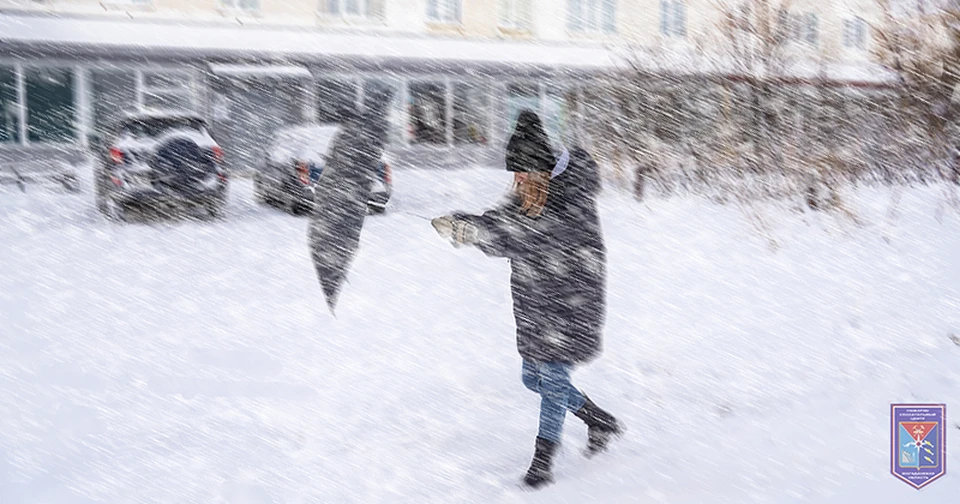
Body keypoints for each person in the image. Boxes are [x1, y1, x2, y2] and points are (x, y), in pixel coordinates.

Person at [431, 109, 623, 490]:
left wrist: (478, 233)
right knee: (532, 378)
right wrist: (465, 224)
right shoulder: (529, 193)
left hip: (570, 305)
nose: (515, 179)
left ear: (541, 170)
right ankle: (599, 419)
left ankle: (542, 462)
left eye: (521, 171)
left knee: (551, 382)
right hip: (537, 301)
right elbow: (501, 223)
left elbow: (528, 235)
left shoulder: (573, 201)